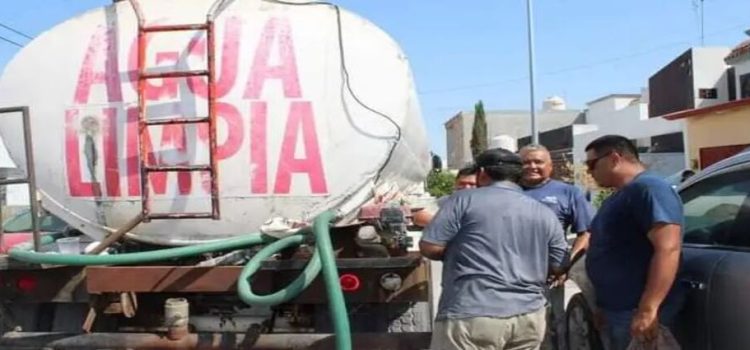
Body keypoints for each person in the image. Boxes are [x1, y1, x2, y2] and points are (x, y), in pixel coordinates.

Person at [420, 148, 568, 350]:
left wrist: (458, 251)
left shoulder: (462, 200)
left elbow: (430, 246)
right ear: (518, 175)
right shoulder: (543, 212)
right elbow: (560, 264)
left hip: (471, 313)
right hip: (529, 317)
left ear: (482, 172)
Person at [584, 135, 684, 350]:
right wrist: (603, 305)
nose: (589, 172)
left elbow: (668, 248)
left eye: (592, 164)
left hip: (636, 309)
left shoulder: (649, 189)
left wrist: (648, 309)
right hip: (618, 309)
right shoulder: (622, 195)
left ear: (613, 158)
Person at [519, 144, 594, 350]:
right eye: (525, 162)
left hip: (549, 276)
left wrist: (566, 264)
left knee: (551, 327)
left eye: (538, 162)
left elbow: (586, 232)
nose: (531, 166)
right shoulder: (507, 192)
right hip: (506, 273)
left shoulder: (568, 193)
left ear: (550, 166)